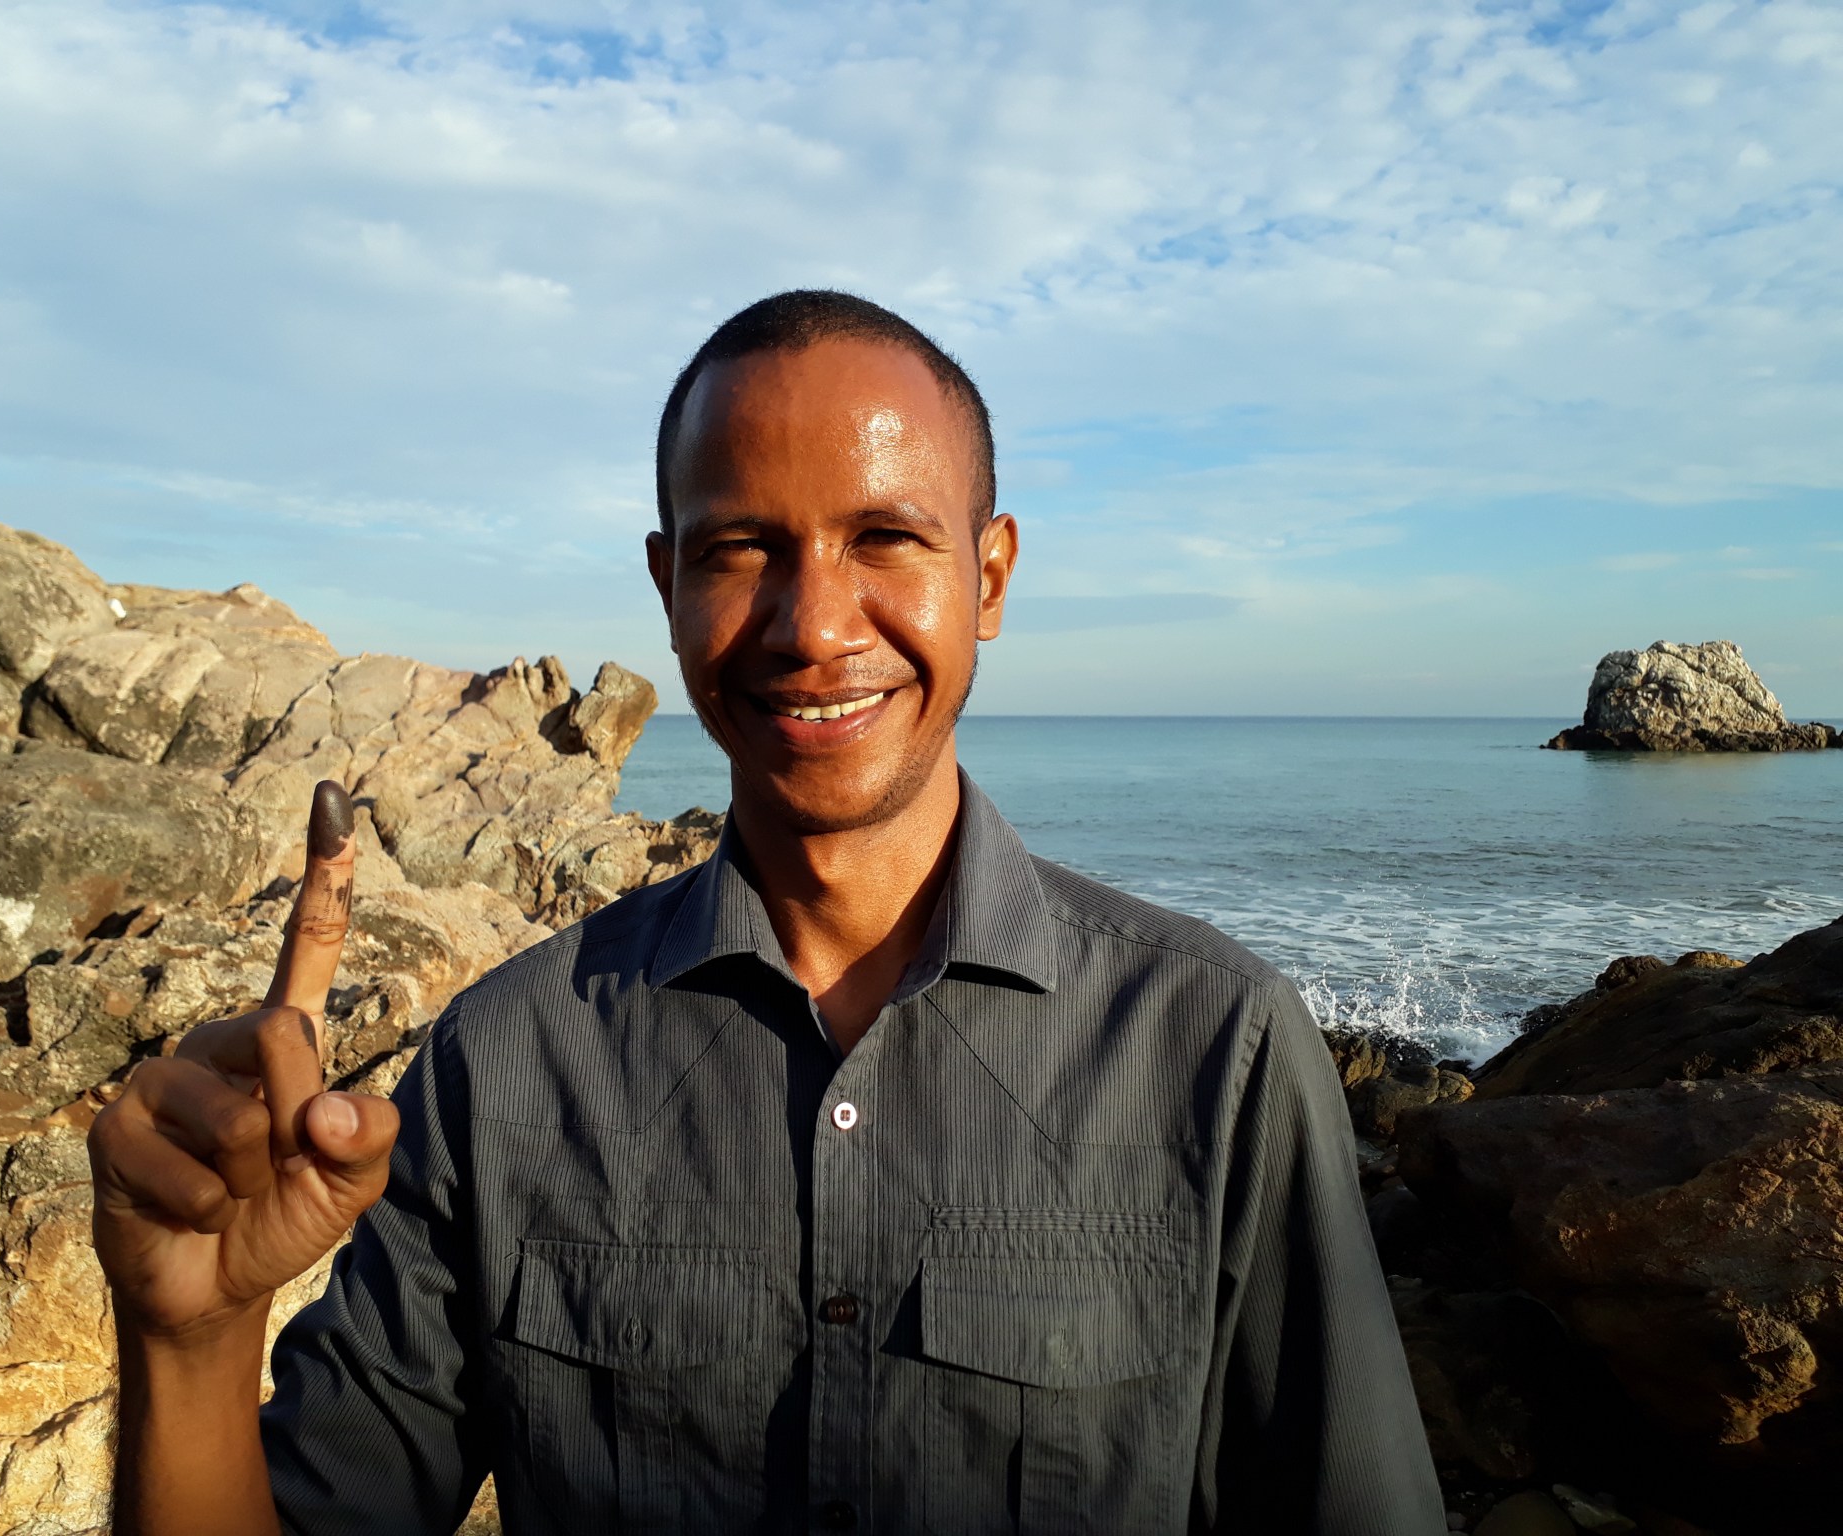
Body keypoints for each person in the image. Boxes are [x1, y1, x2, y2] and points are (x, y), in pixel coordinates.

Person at [88, 290, 1446, 1534]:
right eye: (743, 548)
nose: (811, 624)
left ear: (989, 575)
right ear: (668, 582)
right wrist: (190, 1347)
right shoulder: (506, 1070)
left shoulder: (1219, 1052)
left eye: (886, 539)